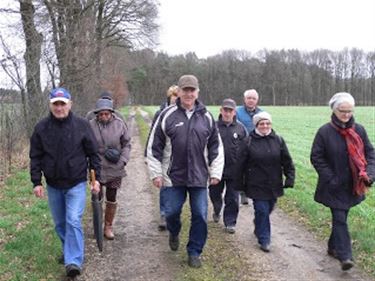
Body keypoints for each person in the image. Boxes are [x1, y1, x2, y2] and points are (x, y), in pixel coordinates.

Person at [146, 74, 224, 268]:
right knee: (171, 212)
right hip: (173, 176)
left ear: (197, 92)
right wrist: (155, 173)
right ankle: (174, 231)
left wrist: (215, 172)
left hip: (199, 177)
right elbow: (154, 147)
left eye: (192, 90)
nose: (188, 94)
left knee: (200, 215)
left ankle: (194, 251)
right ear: (178, 92)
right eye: (185, 90)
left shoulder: (206, 117)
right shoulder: (167, 115)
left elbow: (216, 146)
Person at [29, 87, 101, 278]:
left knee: (73, 220)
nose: (59, 107)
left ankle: (73, 261)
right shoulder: (41, 128)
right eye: (56, 104)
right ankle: (69, 250)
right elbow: (35, 156)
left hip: (76, 183)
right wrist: (36, 182)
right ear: (50, 105)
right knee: (60, 224)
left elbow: (93, 154)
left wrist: (96, 180)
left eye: (62, 103)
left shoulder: (82, 125)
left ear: (70, 104)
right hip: (53, 184)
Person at [310, 92, 375, 271]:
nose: (346, 114)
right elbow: (316, 157)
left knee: (342, 217)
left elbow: (370, 153)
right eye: (342, 111)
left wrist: (369, 174)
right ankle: (345, 255)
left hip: (353, 185)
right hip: (333, 186)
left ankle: (332, 246)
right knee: (340, 218)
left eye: (350, 111)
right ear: (334, 110)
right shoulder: (324, 132)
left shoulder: (359, 130)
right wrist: (331, 178)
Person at [240, 111, 295, 252]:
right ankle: (264, 239)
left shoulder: (278, 140)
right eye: (261, 123)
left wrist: (290, 176)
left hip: (273, 182)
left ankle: (258, 224)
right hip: (256, 183)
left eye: (267, 123)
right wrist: (239, 183)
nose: (265, 126)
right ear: (256, 125)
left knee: (269, 207)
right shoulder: (248, 141)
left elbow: (287, 160)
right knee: (262, 210)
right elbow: (240, 164)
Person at [89, 98, 131, 239]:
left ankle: (108, 226)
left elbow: (126, 144)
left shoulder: (119, 124)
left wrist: (123, 161)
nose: (104, 117)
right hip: (97, 168)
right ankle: (98, 225)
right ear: (97, 114)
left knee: (111, 196)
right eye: (101, 114)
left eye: (106, 114)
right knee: (97, 197)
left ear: (111, 113)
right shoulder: (90, 126)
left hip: (115, 167)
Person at [209, 98, 247, 234]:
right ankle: (217, 208)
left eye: (230, 111)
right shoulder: (212, 126)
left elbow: (246, 149)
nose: (227, 113)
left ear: (234, 112)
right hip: (216, 169)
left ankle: (230, 222)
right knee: (214, 193)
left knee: (232, 198)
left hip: (234, 170)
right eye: (225, 110)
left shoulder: (240, 128)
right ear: (221, 110)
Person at [149, 85, 179, 231]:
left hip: (179, 157)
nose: (176, 100)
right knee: (165, 186)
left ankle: (172, 213)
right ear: (169, 98)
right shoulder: (161, 113)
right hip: (164, 155)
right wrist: (147, 155)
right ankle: (163, 214)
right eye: (174, 97)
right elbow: (152, 136)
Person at [236, 89, 262, 205]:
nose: (251, 100)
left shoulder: (262, 113)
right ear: (245, 99)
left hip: (255, 146)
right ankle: (241, 192)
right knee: (240, 169)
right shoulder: (237, 112)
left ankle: (249, 191)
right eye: (249, 98)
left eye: (253, 98)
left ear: (257, 100)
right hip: (239, 146)